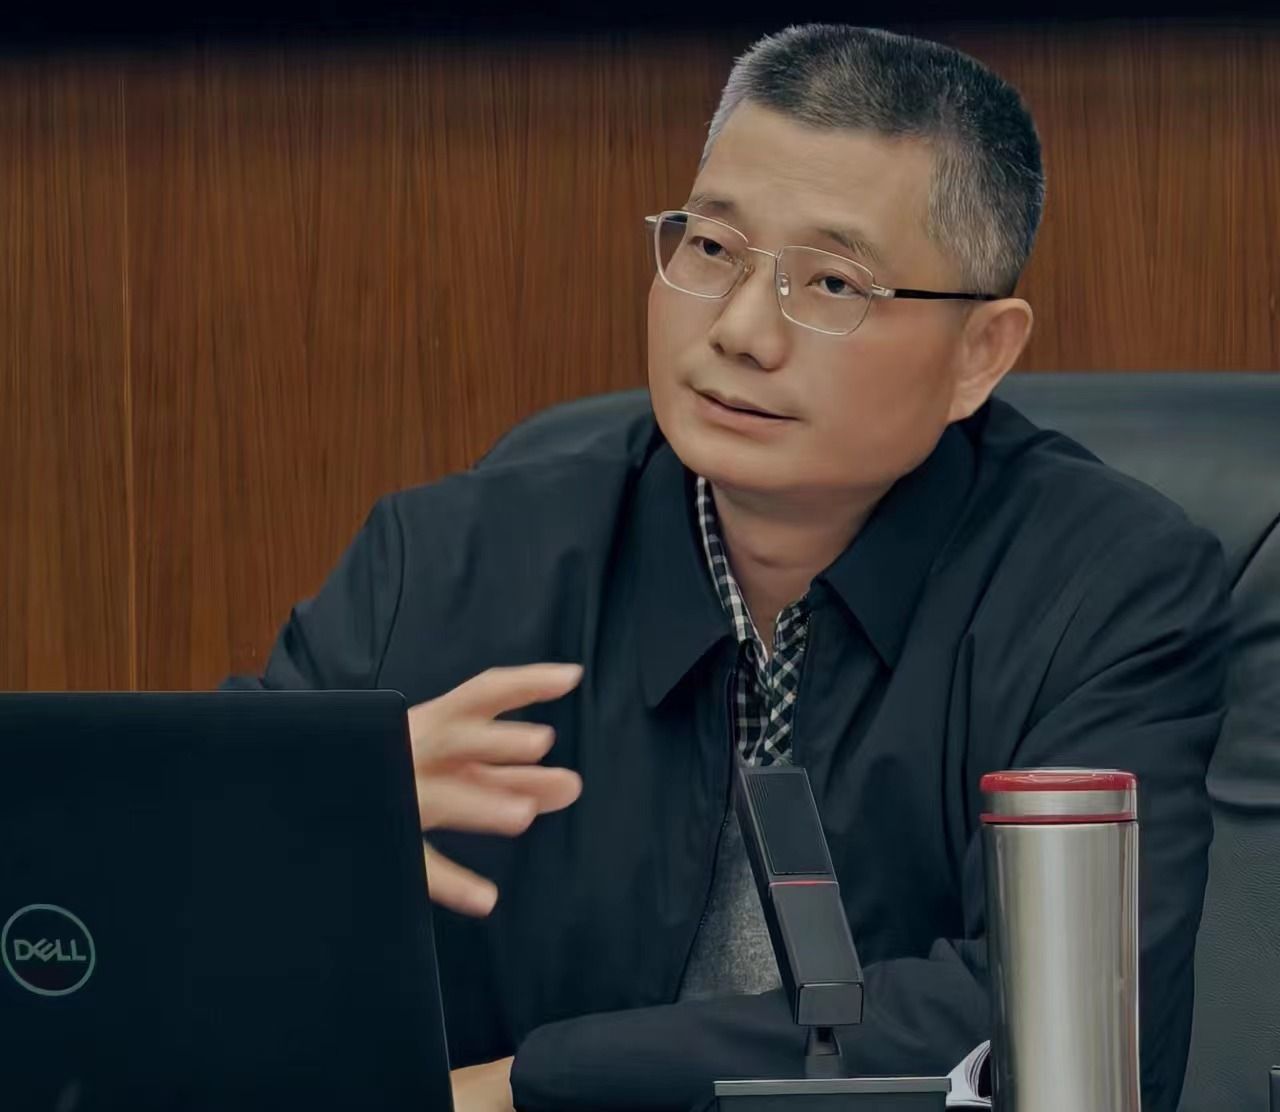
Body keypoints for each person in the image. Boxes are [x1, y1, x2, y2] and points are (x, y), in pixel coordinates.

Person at [225, 24, 1229, 1112]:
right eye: (711, 249)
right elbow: (135, 905)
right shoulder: (443, 567)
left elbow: (1062, 1021)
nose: (742, 330)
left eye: (832, 282)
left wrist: (531, 1084)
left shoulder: (1105, 590)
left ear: (979, 352)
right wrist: (296, 825)